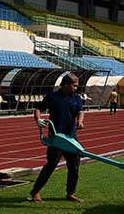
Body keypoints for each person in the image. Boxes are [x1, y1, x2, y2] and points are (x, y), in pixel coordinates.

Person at [28, 74, 85, 203]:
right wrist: (38, 120)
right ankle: (35, 192)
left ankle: (70, 193)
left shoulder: (76, 98)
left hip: (71, 137)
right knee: (51, 166)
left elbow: (80, 111)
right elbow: (38, 108)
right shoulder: (52, 97)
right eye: (74, 85)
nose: (76, 88)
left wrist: (80, 121)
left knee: (74, 167)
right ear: (65, 84)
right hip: (56, 138)